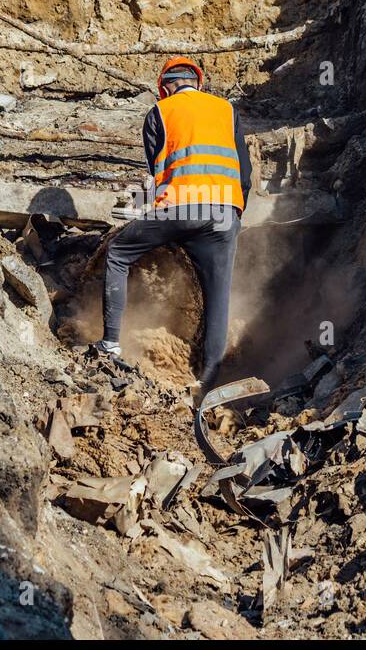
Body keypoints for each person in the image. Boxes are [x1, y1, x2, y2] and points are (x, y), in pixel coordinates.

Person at [92, 57, 253, 396]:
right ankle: (208, 380)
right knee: (217, 296)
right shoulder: (226, 110)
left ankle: (109, 344)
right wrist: (235, 215)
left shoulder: (159, 114)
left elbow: (157, 174)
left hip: (178, 209)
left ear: (164, 88)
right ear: (198, 84)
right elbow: (246, 173)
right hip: (225, 214)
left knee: (119, 253)